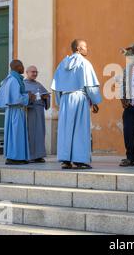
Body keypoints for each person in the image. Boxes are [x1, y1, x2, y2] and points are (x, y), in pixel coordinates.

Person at [51, 39, 102, 170]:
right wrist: (95, 101)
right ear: (78, 48)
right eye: (85, 47)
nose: (87, 49)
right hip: (79, 98)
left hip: (65, 99)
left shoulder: (62, 64)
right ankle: (79, 160)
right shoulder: (85, 64)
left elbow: (56, 86)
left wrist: (59, 101)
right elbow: (90, 85)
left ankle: (65, 160)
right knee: (80, 129)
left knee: (65, 130)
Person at [0, 60, 35, 165]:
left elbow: (16, 94)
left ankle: (19, 157)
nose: (23, 67)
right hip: (15, 111)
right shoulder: (13, 80)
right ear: (17, 67)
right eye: (21, 65)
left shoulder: (14, 79)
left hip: (16, 111)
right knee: (15, 135)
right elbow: (16, 98)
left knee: (17, 134)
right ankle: (13, 158)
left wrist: (26, 94)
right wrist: (28, 96)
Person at [24, 66, 50, 163]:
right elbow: (21, 97)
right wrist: (29, 98)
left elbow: (46, 95)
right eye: (32, 72)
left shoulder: (39, 84)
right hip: (29, 112)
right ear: (27, 72)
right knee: (30, 134)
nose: (35, 74)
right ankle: (30, 155)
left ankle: (39, 155)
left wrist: (46, 97)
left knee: (40, 133)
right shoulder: (23, 84)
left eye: (36, 72)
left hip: (39, 112)